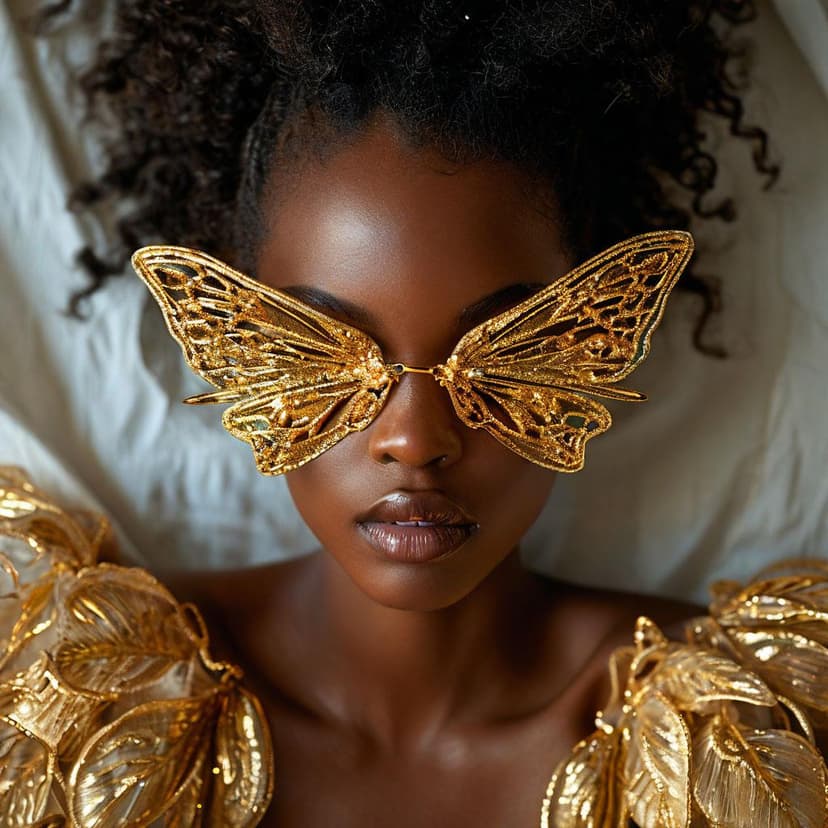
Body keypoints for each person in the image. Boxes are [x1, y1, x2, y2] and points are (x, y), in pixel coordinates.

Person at [3, 1, 826, 826]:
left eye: (505, 351)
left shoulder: (738, 743)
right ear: (228, 332)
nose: (415, 440)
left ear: (602, 332)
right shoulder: (82, 708)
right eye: (322, 346)